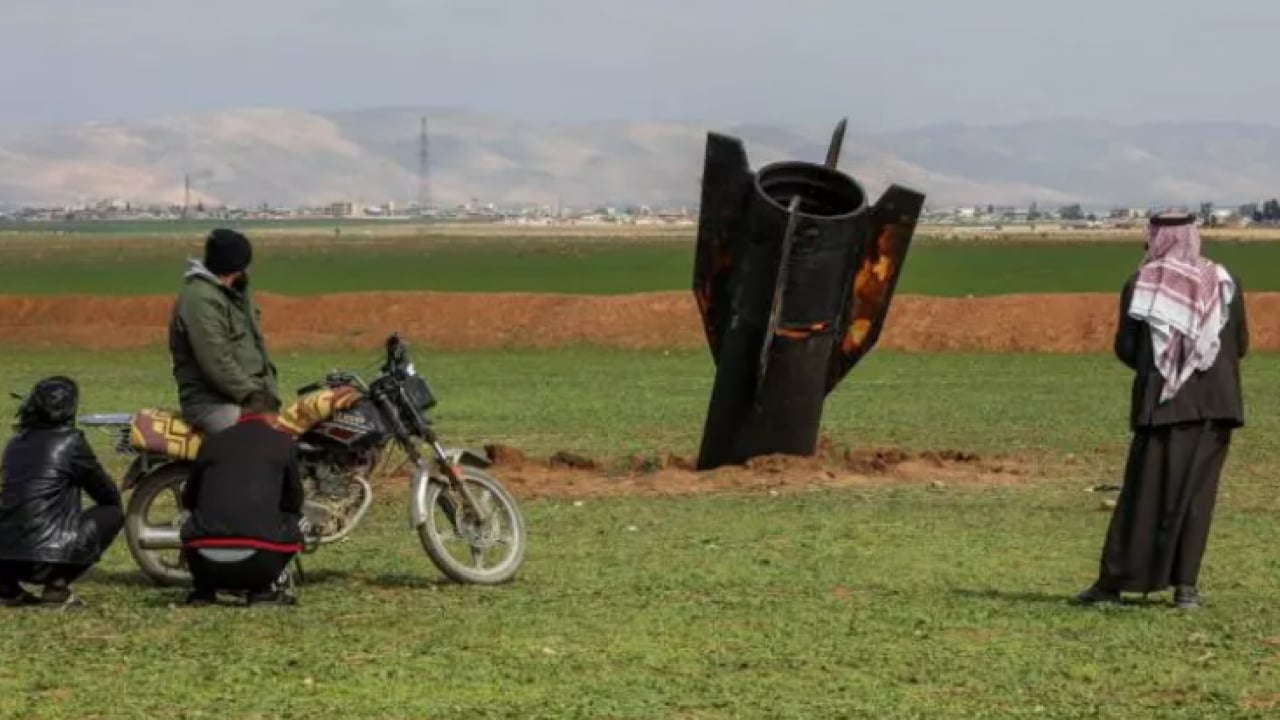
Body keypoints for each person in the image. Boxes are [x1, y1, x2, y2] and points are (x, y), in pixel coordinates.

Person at [1075, 211, 1248, 610]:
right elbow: (1239, 344)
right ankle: (1185, 589)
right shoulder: (1225, 282)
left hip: (1165, 407)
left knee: (1143, 493)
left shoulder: (1142, 284)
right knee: (1197, 497)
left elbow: (1128, 348)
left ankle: (1113, 584)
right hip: (1218, 407)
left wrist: (1166, 370)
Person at [0, 377, 123, 608]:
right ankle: (57, 586)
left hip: (4, 557)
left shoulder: (14, 442)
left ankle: (7, 588)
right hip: (47, 560)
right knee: (112, 513)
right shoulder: (71, 442)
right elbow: (106, 495)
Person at [179, 390, 304, 606]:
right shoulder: (283, 443)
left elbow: (189, 498)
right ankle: (261, 591)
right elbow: (293, 500)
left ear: (240, 413)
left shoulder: (212, 442)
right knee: (294, 520)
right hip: (261, 563)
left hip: (203, 562)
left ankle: (205, 591)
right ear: (274, 416)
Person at [168, 228, 278, 435]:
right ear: (237, 266)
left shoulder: (233, 294)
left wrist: (267, 394)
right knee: (254, 441)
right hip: (212, 402)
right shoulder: (200, 299)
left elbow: (254, 344)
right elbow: (216, 360)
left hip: (244, 398)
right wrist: (254, 397)